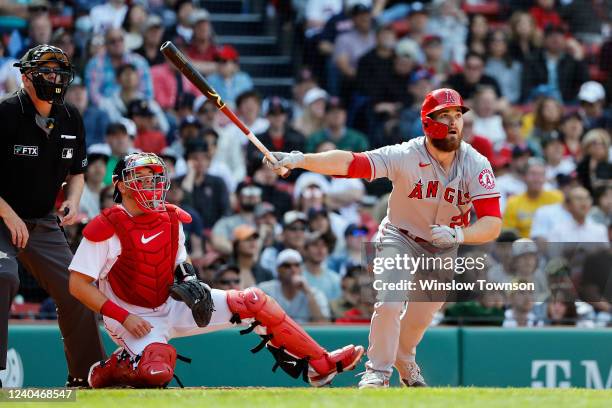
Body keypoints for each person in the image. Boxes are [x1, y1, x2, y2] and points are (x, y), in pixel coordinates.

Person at [263, 88, 502, 388]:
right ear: (428, 122)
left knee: (421, 317)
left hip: (443, 246)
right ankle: (378, 371)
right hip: (399, 237)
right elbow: (351, 163)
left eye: (458, 115)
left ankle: (405, 358)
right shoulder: (405, 155)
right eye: (445, 116)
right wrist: (300, 160)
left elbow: (493, 223)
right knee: (390, 301)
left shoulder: (476, 164)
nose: (454, 122)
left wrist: (459, 233)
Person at [68, 153, 364, 388]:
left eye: (154, 178)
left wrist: (190, 281)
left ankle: (319, 363)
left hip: (170, 304)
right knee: (156, 370)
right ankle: (109, 370)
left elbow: (179, 261)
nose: (151, 184)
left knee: (253, 301)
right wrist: (125, 318)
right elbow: (78, 285)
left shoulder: (171, 217)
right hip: (131, 316)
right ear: (121, 185)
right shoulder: (106, 226)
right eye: (141, 179)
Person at [0, 44, 105, 387]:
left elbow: (77, 171)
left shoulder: (71, 116)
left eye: (59, 71)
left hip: (42, 219)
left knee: (78, 288)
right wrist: (10, 216)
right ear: (26, 76)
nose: (54, 77)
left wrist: (73, 200)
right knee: (3, 277)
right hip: (0, 215)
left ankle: (88, 377)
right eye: (46, 70)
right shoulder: (5, 112)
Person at [503, 158, 564, 238]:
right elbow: (508, 233)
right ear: (524, 177)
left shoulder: (557, 198)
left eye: (541, 175)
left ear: (545, 178)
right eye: (533, 174)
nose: (537, 179)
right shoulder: (513, 202)